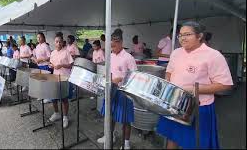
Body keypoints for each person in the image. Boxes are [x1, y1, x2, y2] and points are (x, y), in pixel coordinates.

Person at [156, 21, 233, 149]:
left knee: (196, 143)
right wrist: (168, 88)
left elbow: (225, 85)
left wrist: (194, 90)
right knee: (173, 137)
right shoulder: (176, 53)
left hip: (198, 108)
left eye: (187, 34)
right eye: (180, 35)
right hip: (174, 104)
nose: (182, 38)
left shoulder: (213, 55)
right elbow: (169, 72)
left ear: (199, 36)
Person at [97, 28, 137, 149]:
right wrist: (106, 76)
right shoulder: (110, 55)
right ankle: (110, 136)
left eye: (114, 46)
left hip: (123, 92)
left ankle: (126, 144)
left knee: (126, 119)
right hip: (111, 89)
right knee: (109, 116)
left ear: (120, 43)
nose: (112, 49)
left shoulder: (128, 57)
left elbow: (135, 76)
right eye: (110, 46)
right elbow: (109, 71)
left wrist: (121, 79)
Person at [48, 32, 74, 128]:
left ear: (63, 43)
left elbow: (71, 64)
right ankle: (56, 113)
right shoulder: (53, 53)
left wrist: (62, 65)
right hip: (55, 77)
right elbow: (51, 63)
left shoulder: (66, 52)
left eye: (60, 42)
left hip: (64, 78)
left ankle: (65, 117)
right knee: (54, 97)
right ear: (54, 43)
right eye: (56, 42)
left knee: (64, 99)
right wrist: (51, 65)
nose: (58, 43)